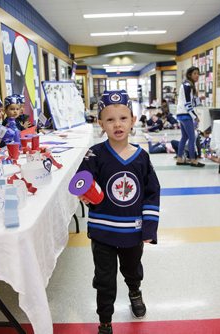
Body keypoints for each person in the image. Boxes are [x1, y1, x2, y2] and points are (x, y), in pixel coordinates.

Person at [75, 90, 160, 334]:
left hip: (132, 230)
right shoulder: (95, 154)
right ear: (100, 124)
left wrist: (149, 228)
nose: (117, 124)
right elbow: (82, 180)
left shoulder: (142, 157)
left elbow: (152, 192)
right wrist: (83, 190)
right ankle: (105, 320)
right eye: (110, 120)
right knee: (104, 278)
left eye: (123, 118)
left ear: (133, 120)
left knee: (132, 269)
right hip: (102, 230)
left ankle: (134, 291)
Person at [176, 66, 204, 167]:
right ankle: (193, 160)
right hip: (185, 114)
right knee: (192, 137)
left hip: (181, 113)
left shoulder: (189, 85)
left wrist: (198, 98)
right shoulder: (188, 85)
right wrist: (195, 116)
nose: (197, 76)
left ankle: (179, 158)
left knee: (184, 137)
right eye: (195, 73)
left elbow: (192, 103)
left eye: (198, 74)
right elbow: (188, 104)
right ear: (190, 75)